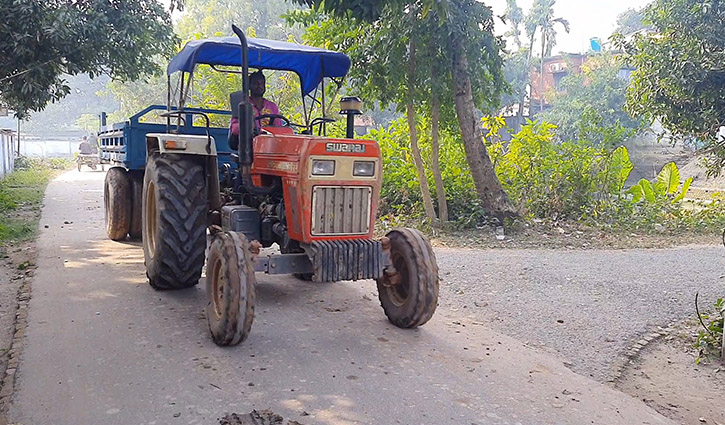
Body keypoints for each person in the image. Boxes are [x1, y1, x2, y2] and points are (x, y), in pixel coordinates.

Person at [229, 71, 280, 137]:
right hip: (249, 143)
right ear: (249, 86)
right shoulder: (244, 105)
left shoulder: (272, 106)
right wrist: (247, 126)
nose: (259, 86)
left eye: (262, 83)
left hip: (269, 143)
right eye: (256, 83)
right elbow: (234, 129)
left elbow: (279, 128)